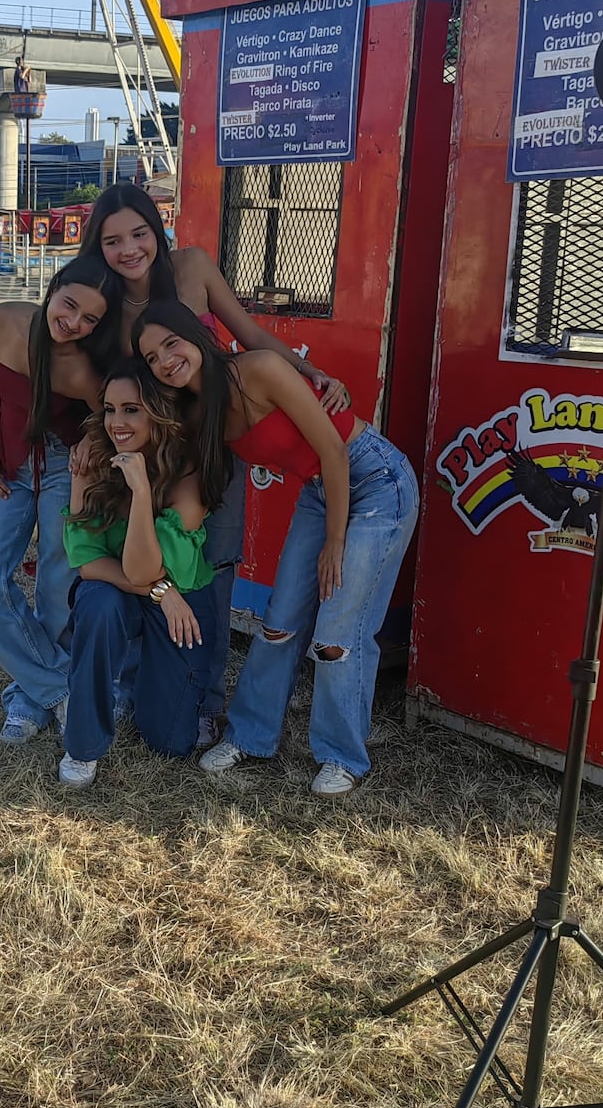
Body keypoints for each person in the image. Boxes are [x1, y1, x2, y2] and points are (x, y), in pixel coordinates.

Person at [78, 182, 350, 741]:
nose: (129, 249)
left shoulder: (194, 267)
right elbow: (87, 371)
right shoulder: (101, 296)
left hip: (213, 449)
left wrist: (310, 373)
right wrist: (90, 436)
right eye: (112, 240)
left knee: (213, 568)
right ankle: (137, 687)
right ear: (97, 246)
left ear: (157, 228)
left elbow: (250, 334)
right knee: (136, 559)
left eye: (139, 233)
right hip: (145, 455)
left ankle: (203, 697)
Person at [135, 302, 419, 794]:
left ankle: (341, 756)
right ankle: (249, 735)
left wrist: (335, 541)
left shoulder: (259, 369)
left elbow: (333, 449)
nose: (165, 360)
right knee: (278, 623)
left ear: (195, 336)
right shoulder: (198, 413)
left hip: (373, 480)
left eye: (171, 344)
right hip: (318, 490)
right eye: (152, 357)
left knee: (337, 631)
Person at [0, 256, 122, 742]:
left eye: (90, 319)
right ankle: (58, 687)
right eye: (69, 305)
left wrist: (93, 439)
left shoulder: (81, 367)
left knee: (56, 588)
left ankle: (30, 700)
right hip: (8, 464)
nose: (74, 323)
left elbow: (105, 418)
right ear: (52, 290)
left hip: (62, 470)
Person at [59, 359, 217, 788]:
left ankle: (145, 693)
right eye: (110, 409)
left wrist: (142, 490)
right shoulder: (92, 458)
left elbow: (146, 566)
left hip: (182, 600)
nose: (117, 422)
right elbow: (88, 561)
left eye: (132, 409)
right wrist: (161, 590)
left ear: (159, 411)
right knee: (97, 602)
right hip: (145, 593)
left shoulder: (188, 474)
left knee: (171, 742)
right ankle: (83, 744)